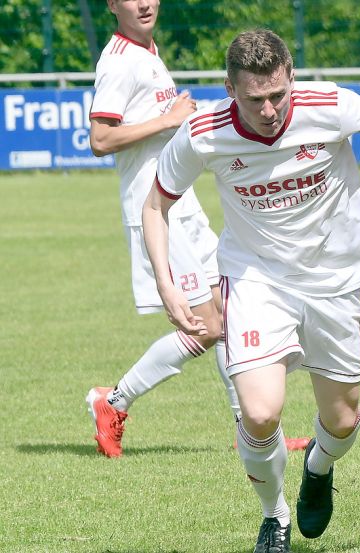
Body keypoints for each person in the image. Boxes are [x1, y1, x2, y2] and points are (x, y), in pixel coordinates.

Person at [143, 29, 360, 553]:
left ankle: (317, 468)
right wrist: (165, 281)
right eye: (254, 99)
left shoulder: (332, 105)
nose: (269, 109)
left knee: (341, 420)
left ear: (291, 76)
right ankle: (273, 517)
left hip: (334, 281)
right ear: (230, 88)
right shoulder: (204, 131)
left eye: (277, 94)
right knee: (260, 411)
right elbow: (156, 203)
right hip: (255, 277)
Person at [85, 0, 308, 458]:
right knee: (205, 326)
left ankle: (251, 429)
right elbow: (100, 138)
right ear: (112, 4)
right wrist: (169, 120)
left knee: (227, 314)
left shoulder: (147, 50)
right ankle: (113, 402)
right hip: (155, 209)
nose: (144, 3)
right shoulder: (120, 61)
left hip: (182, 205)